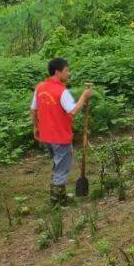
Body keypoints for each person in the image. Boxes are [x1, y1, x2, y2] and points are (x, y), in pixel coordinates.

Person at [32, 58, 93, 206]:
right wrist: (84, 97)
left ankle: (61, 196)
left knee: (58, 165)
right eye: (66, 70)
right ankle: (56, 204)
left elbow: (34, 109)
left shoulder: (40, 87)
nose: (68, 73)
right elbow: (73, 111)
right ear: (58, 72)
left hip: (46, 136)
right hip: (60, 136)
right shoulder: (61, 91)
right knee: (61, 169)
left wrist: (36, 127)